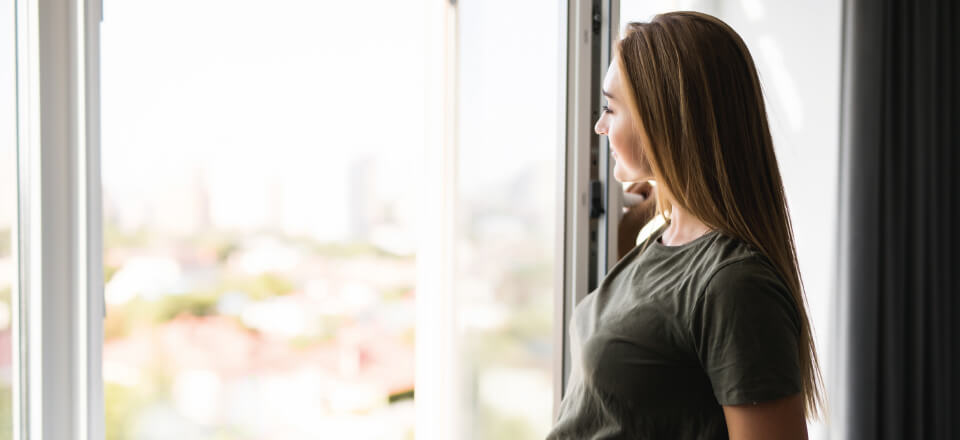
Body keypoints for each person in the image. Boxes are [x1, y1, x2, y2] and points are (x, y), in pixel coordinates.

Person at [545, 11, 824, 440]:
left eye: (609, 108)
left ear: (665, 118)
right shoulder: (664, 237)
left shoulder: (734, 284)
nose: (600, 126)